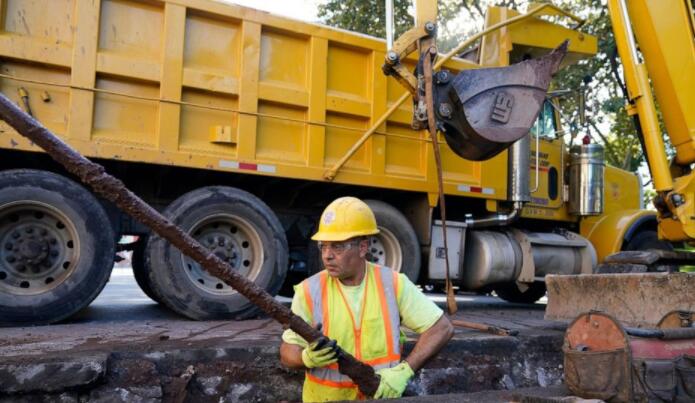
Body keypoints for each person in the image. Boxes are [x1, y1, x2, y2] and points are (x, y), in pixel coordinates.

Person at [280, 196, 454, 402]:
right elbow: (287, 352)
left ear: (363, 247)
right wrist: (304, 358)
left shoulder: (393, 283)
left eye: (337, 246)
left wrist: (404, 371)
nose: (327, 255)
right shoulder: (309, 290)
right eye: (323, 246)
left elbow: (442, 328)